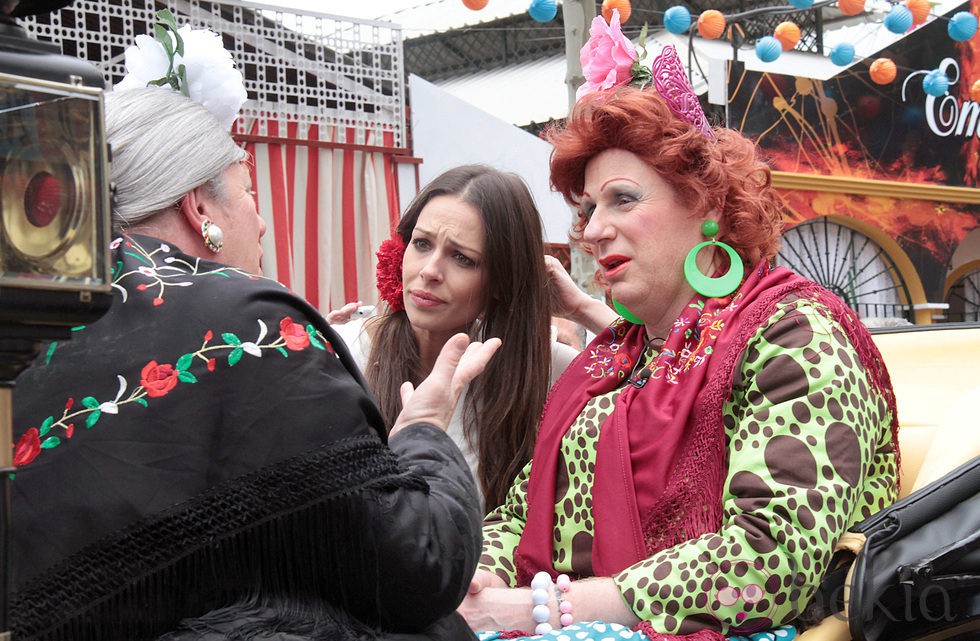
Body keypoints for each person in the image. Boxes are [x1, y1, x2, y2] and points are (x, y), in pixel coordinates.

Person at [9, 19, 498, 641]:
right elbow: (413, 566)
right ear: (199, 208)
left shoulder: (31, 314)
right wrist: (424, 432)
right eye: (248, 192)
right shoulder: (245, 329)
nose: (261, 223)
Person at [459, 12, 899, 641]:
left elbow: (772, 562)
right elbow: (525, 512)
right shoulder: (608, 360)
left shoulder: (793, 334)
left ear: (706, 204)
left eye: (623, 199)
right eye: (586, 211)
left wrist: (547, 610)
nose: (591, 232)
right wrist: (480, 578)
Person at [332, 165, 579, 511]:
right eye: (421, 244)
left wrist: (583, 309)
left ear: (500, 281)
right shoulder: (344, 354)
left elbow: (664, 381)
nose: (429, 271)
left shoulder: (546, 369)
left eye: (462, 258)